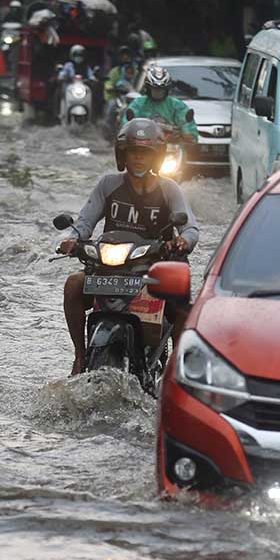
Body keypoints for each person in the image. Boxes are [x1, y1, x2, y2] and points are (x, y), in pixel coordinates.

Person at [56, 118, 200, 375]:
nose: (138, 158)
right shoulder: (108, 184)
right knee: (73, 285)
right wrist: (72, 239)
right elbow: (84, 222)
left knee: (182, 305)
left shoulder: (169, 189)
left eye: (145, 153)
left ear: (156, 157)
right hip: (111, 269)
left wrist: (181, 242)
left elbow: (190, 228)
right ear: (122, 155)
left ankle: (177, 373)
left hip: (154, 269)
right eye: (133, 152)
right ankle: (79, 358)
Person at [122, 65, 199, 143]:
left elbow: (190, 132)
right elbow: (126, 127)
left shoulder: (178, 106)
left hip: (172, 148)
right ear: (148, 89)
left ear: (167, 89)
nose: (158, 92)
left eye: (161, 90)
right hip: (144, 146)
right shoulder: (138, 104)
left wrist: (185, 134)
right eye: (155, 89)